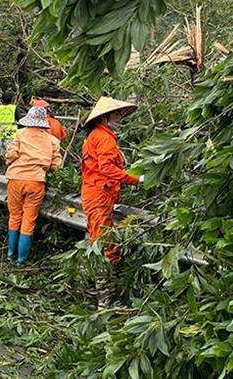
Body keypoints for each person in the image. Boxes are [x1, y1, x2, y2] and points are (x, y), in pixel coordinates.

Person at [81, 97, 143, 308]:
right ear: (105, 117)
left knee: (96, 239)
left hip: (96, 193)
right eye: (116, 115)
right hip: (99, 195)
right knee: (105, 244)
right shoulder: (104, 139)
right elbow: (107, 169)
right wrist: (135, 179)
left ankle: (94, 288)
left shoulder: (95, 137)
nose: (119, 118)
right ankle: (106, 300)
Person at [4, 107, 61, 265]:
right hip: (36, 181)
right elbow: (56, 165)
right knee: (29, 220)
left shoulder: (20, 134)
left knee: (15, 217)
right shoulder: (52, 141)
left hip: (15, 179)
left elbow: (11, 154)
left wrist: (11, 161)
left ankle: (10, 254)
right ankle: (21, 260)